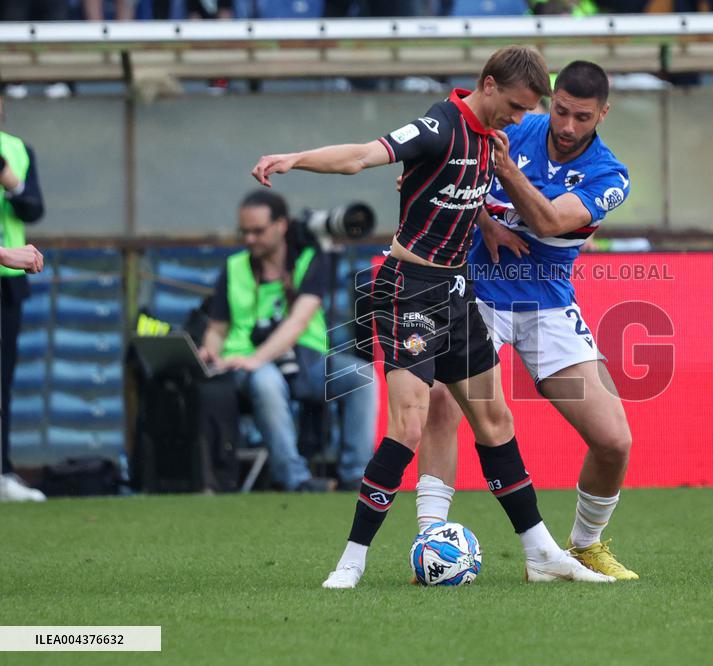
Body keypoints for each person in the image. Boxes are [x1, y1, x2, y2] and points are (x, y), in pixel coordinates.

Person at [252, 45, 614, 589]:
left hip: (457, 288)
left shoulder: (494, 138)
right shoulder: (439, 125)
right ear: (488, 86)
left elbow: (473, 197)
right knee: (410, 423)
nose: (522, 119)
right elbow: (360, 156)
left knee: (495, 422)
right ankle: (351, 560)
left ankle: (540, 554)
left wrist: (487, 224)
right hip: (408, 290)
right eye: (516, 106)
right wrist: (294, 158)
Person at [414, 61, 639, 580]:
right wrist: (486, 221)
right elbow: (444, 178)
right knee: (442, 400)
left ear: (602, 114)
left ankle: (583, 546)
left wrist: (508, 172)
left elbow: (551, 221)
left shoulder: (611, 175)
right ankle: (430, 540)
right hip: (479, 291)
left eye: (582, 117)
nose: (566, 126)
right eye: (559, 110)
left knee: (614, 441)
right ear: (550, 100)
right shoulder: (518, 123)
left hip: (547, 304)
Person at [198, 190, 342, 493]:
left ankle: (359, 477)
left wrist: (258, 358)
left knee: (363, 378)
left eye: (258, 231)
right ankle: (295, 479)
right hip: (244, 365)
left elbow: (298, 322)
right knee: (266, 380)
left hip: (307, 360)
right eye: (244, 231)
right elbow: (217, 328)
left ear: (281, 225)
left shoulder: (310, 259)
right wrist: (209, 351)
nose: (249, 239)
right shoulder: (234, 267)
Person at [0, 92, 46, 503]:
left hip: (5, 282)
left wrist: (6, 174)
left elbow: (32, 209)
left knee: (2, 380)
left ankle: (1, 472)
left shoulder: (16, 150)